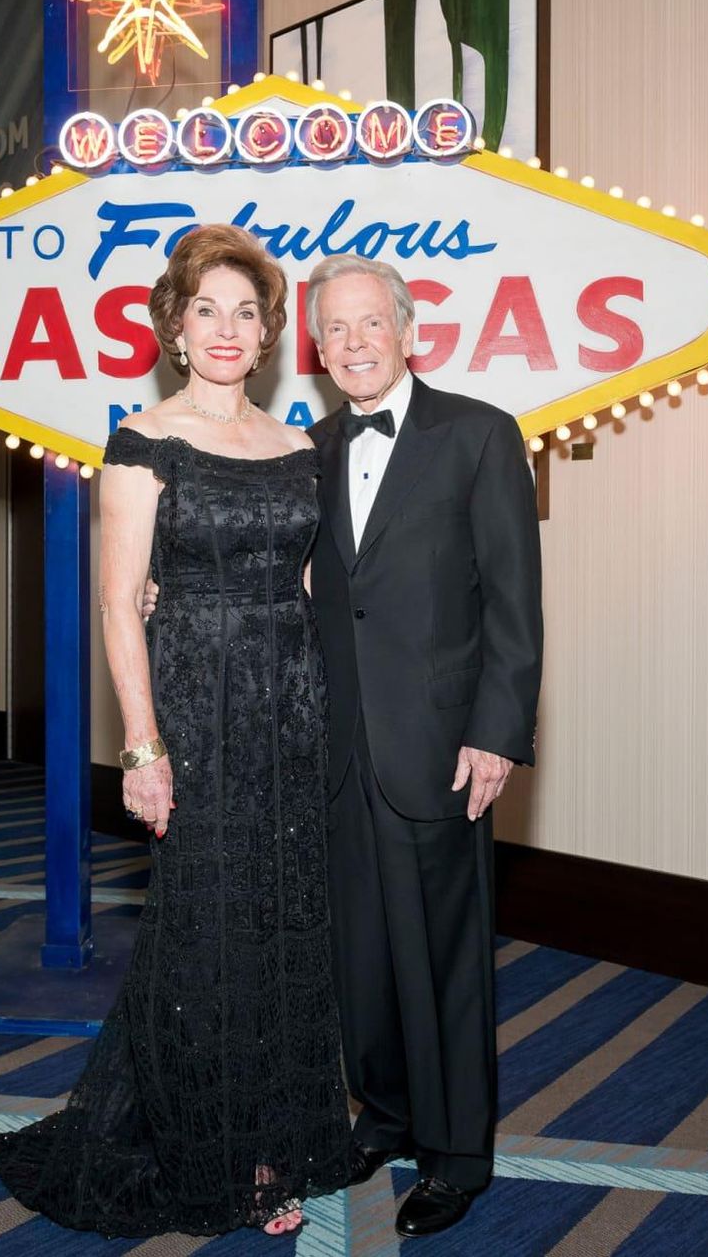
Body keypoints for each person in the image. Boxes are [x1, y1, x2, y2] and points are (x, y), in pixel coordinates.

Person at [0, 225, 351, 1238]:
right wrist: (142, 747)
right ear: (176, 328)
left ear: (269, 331)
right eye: (208, 310)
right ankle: (213, 1146)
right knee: (206, 926)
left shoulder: (296, 446)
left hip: (293, 706)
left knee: (284, 927)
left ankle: (275, 1135)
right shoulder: (141, 441)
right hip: (195, 707)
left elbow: (317, 584)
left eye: (248, 311)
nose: (228, 329)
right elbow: (116, 603)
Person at [306, 254, 543, 1238]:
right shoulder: (310, 447)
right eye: (334, 331)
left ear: (409, 331)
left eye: (370, 324)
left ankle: (455, 1152)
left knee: (442, 958)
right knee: (357, 956)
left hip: (441, 745)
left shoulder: (478, 436)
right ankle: (387, 1110)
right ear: (315, 352)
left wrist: (496, 728)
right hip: (336, 744)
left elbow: (513, 602)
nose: (353, 343)